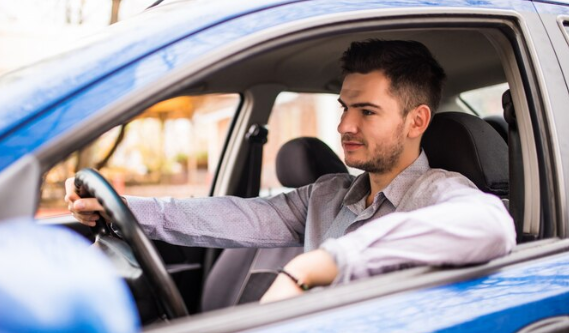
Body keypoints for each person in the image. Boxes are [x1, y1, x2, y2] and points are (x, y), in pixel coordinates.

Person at [65, 39, 516, 304]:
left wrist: (319, 263)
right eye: (343, 108)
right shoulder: (327, 194)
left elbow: (492, 224)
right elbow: (234, 217)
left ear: (416, 121)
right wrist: (126, 208)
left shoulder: (438, 191)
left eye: (367, 111)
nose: (344, 126)